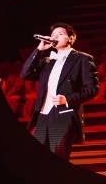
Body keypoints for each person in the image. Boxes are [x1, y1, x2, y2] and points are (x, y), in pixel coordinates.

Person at [19, 24, 98, 159]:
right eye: (53, 35)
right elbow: (25, 74)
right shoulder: (47, 61)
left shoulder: (83, 59)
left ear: (71, 38)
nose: (55, 36)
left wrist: (68, 99)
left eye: (60, 34)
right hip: (42, 115)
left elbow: (92, 89)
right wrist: (39, 50)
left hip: (63, 115)